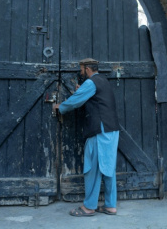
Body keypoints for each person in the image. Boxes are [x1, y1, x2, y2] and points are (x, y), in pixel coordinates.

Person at [54, 58, 120, 217]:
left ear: (87, 69)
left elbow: (75, 101)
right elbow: (94, 99)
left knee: (93, 169)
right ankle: (110, 206)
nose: (80, 72)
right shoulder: (102, 81)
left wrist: (60, 106)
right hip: (111, 130)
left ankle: (89, 207)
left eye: (81, 69)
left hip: (100, 131)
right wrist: (82, 89)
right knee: (108, 168)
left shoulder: (91, 83)